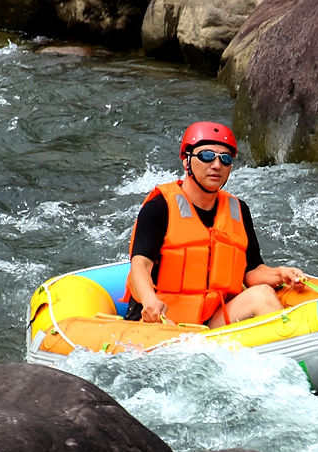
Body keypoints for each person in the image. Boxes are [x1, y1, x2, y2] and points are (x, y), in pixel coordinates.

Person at [123, 122, 306, 327]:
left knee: (262, 295)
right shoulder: (159, 208)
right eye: (206, 156)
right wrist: (149, 300)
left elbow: (252, 272)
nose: (217, 165)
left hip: (211, 320)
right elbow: (140, 264)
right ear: (187, 161)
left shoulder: (239, 210)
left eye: (225, 159)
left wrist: (281, 273)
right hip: (163, 318)